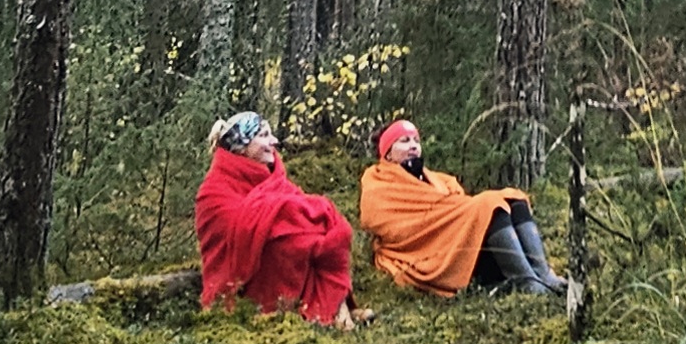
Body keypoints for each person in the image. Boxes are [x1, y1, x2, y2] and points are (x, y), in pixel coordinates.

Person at [360, 118, 568, 299]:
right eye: (404, 141)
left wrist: (453, 213)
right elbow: (382, 221)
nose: (413, 146)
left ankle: (544, 274)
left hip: (459, 238)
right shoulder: (377, 182)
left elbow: (456, 207)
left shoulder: (438, 179)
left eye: (416, 140)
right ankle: (528, 282)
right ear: (387, 154)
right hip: (433, 250)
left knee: (514, 198)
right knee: (488, 204)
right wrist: (448, 214)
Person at [194, 111, 355, 324]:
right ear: (242, 146)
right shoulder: (214, 190)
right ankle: (324, 311)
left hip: (274, 250)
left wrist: (301, 213)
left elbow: (294, 206)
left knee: (327, 234)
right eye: (264, 135)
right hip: (244, 279)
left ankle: (336, 306)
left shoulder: (273, 176)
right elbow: (240, 231)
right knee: (292, 245)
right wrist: (288, 213)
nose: (274, 141)